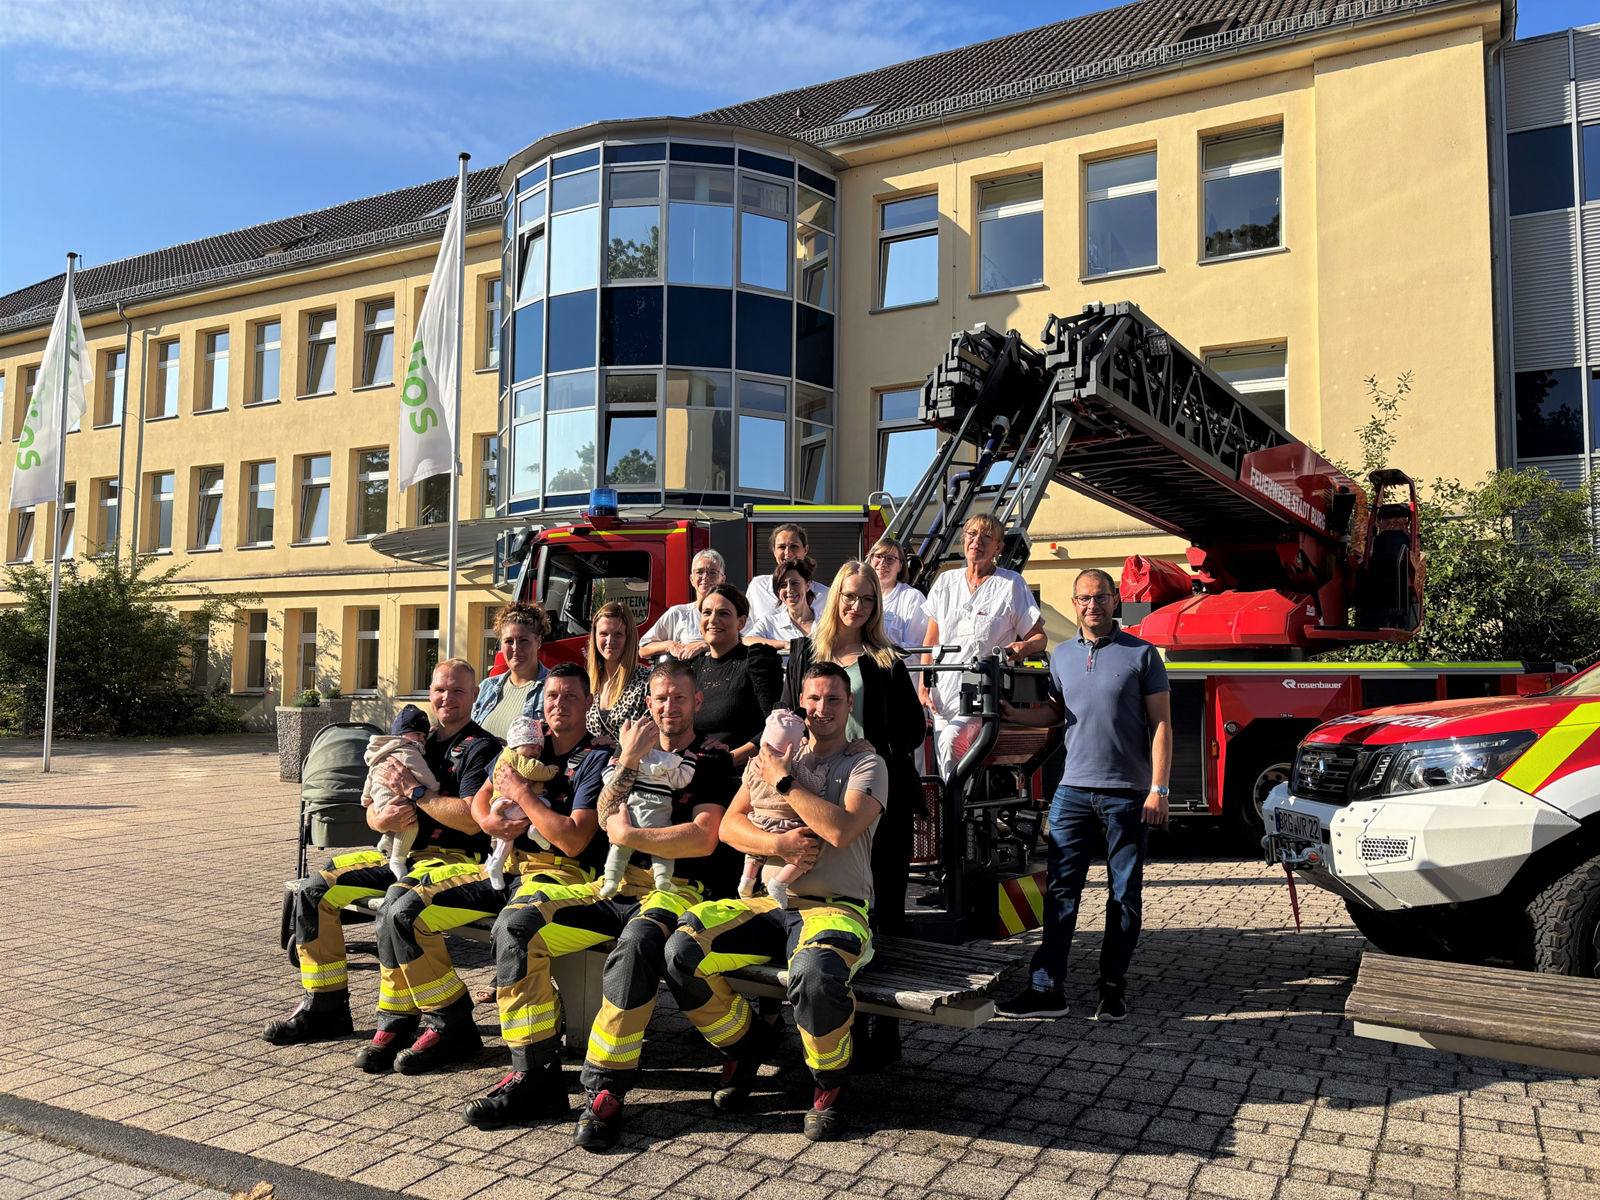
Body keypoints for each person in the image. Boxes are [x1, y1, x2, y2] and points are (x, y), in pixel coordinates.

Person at [487, 660, 735, 1148]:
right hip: (611, 884)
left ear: (697, 702)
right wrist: (628, 760)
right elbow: (602, 818)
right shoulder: (629, 753)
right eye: (660, 698)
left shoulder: (710, 760)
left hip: (676, 889)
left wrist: (633, 834)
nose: (669, 707)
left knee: (637, 946)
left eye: (679, 698)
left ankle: (605, 1090)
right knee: (517, 924)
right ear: (648, 703)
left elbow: (702, 839)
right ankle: (534, 1076)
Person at [349, 663, 608, 1090]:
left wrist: (523, 795)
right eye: (552, 696)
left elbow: (573, 840)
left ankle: (535, 1071)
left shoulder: (595, 758)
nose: (559, 704)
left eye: (570, 697)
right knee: (404, 911)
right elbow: (480, 809)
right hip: (502, 870)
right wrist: (495, 823)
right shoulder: (526, 745)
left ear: (588, 703)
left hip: (558, 876)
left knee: (515, 931)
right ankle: (451, 1023)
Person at [661, 662, 885, 1143]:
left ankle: (828, 1086)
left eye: (833, 700)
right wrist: (776, 846)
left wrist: (787, 782)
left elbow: (840, 830)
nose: (821, 709)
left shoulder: (866, 764)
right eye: (813, 699)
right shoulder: (774, 751)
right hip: (770, 903)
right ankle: (747, 1044)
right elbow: (728, 826)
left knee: (814, 975)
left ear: (849, 707)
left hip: (835, 907)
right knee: (681, 949)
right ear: (800, 704)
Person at [265, 659, 500, 1048]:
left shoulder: (483, 748)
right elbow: (374, 806)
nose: (448, 698)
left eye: (459, 691)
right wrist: (379, 817)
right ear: (430, 693)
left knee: (400, 907)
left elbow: (470, 820)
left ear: (475, 696)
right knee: (313, 890)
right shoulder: (412, 741)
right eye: (440, 690)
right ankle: (325, 1008)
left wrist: (416, 792)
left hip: (457, 862)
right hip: (401, 855)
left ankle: (447, 1020)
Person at [995, 568, 1172, 1022]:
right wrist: (1014, 712)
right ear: (1074, 604)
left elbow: (1162, 726)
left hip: (1128, 796)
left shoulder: (1144, 655)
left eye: (1099, 597)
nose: (1091, 605)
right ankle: (1047, 988)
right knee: (1060, 892)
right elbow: (1059, 713)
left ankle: (1112, 987)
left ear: (1115, 601)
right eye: (1083, 599)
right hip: (1072, 792)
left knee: (1124, 896)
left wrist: (1159, 789)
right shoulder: (1061, 656)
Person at [782, 560, 926, 1064]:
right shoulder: (806, 653)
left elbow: (915, 729)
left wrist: (876, 747)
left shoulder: (886, 659)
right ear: (834, 597)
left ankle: (883, 1028)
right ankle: (832, 1017)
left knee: (885, 910)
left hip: (873, 796)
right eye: (849, 596)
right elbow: (784, 717)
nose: (857, 606)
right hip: (819, 796)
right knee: (826, 905)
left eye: (867, 599)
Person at [919, 513, 1046, 778]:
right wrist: (923, 685)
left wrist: (1022, 648)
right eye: (972, 534)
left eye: (986, 536)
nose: (977, 541)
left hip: (983, 692)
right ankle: (956, 812)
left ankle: (951, 810)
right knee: (945, 758)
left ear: (998, 547)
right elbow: (930, 642)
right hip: (943, 693)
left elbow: (1039, 638)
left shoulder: (1011, 584)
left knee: (951, 743)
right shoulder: (945, 582)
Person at [690, 584, 782, 766]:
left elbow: (776, 726)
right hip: (693, 771)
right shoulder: (694, 668)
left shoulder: (757, 662)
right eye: (707, 613)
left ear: (741, 622)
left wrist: (729, 759)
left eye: (723, 613)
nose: (713, 620)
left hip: (743, 773)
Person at [481, 715, 560, 891]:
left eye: (539, 749)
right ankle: (534, 831)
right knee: (543, 806)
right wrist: (550, 771)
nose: (536, 752)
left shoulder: (509, 755)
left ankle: (497, 863)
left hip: (506, 804)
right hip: (509, 803)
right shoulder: (513, 756)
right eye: (531, 747)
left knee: (507, 838)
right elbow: (532, 770)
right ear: (517, 744)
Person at [362, 704, 440, 881]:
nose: (422, 739)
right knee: (410, 824)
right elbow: (422, 772)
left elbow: (370, 777)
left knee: (396, 822)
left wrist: (366, 799)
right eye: (418, 734)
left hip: (380, 802)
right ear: (403, 735)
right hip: (397, 799)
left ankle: (386, 842)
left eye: (424, 736)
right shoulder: (408, 750)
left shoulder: (380, 752)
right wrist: (434, 787)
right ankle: (398, 859)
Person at [474, 602, 552, 740]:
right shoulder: (486, 688)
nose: (516, 648)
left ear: (538, 642)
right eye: (509, 641)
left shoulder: (554, 689)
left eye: (523, 640)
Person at [638, 549, 725, 659]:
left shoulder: (732, 613)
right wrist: (669, 645)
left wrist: (706, 646)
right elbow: (643, 649)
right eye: (699, 572)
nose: (705, 577)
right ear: (692, 579)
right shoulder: (678, 613)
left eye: (712, 572)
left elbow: (747, 642)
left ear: (722, 580)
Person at [585, 601, 651, 742]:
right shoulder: (587, 682)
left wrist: (616, 746)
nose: (610, 641)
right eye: (603, 634)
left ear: (629, 637)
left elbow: (653, 734)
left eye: (618, 634)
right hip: (593, 762)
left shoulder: (647, 681)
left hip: (630, 762)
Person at [746, 523, 828, 621]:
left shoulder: (825, 595)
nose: (787, 553)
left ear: (805, 550)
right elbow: (746, 629)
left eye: (794, 546)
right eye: (782, 547)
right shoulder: (758, 586)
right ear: (774, 551)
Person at [867, 536, 929, 649]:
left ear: (900, 565)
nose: (882, 563)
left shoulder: (912, 598)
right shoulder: (861, 596)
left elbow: (915, 649)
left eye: (890, 558)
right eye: (878, 556)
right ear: (871, 561)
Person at [745, 558, 819, 647]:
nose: (789, 590)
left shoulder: (827, 623)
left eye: (795, 583)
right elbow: (747, 641)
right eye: (783, 585)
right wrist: (785, 644)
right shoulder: (768, 623)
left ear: (808, 585)